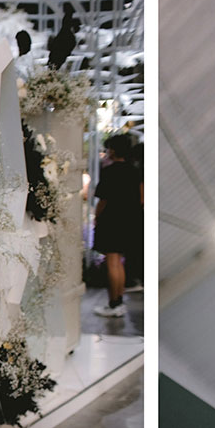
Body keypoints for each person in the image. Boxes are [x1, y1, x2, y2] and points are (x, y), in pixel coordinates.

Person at [92, 132, 142, 320]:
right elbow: (142, 198)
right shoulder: (135, 171)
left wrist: (97, 217)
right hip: (129, 220)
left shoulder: (110, 172)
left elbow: (102, 200)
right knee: (119, 262)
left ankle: (114, 302)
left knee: (112, 262)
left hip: (111, 220)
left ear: (113, 150)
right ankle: (119, 301)